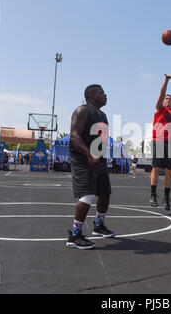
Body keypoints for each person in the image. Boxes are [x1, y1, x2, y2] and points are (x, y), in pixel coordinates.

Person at [67, 84, 115, 250]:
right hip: (82, 158)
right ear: (92, 95)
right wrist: (89, 155)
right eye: (102, 92)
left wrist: (101, 158)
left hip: (98, 159)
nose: (105, 94)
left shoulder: (103, 115)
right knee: (88, 195)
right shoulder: (83, 110)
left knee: (105, 193)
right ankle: (74, 235)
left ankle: (98, 225)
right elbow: (74, 136)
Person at [150, 74, 171, 211]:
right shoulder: (159, 109)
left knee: (169, 171)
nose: (168, 100)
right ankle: (153, 195)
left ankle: (166, 198)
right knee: (156, 169)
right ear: (163, 101)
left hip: (169, 143)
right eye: (166, 99)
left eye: (170, 99)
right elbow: (162, 94)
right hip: (159, 141)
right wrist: (166, 81)